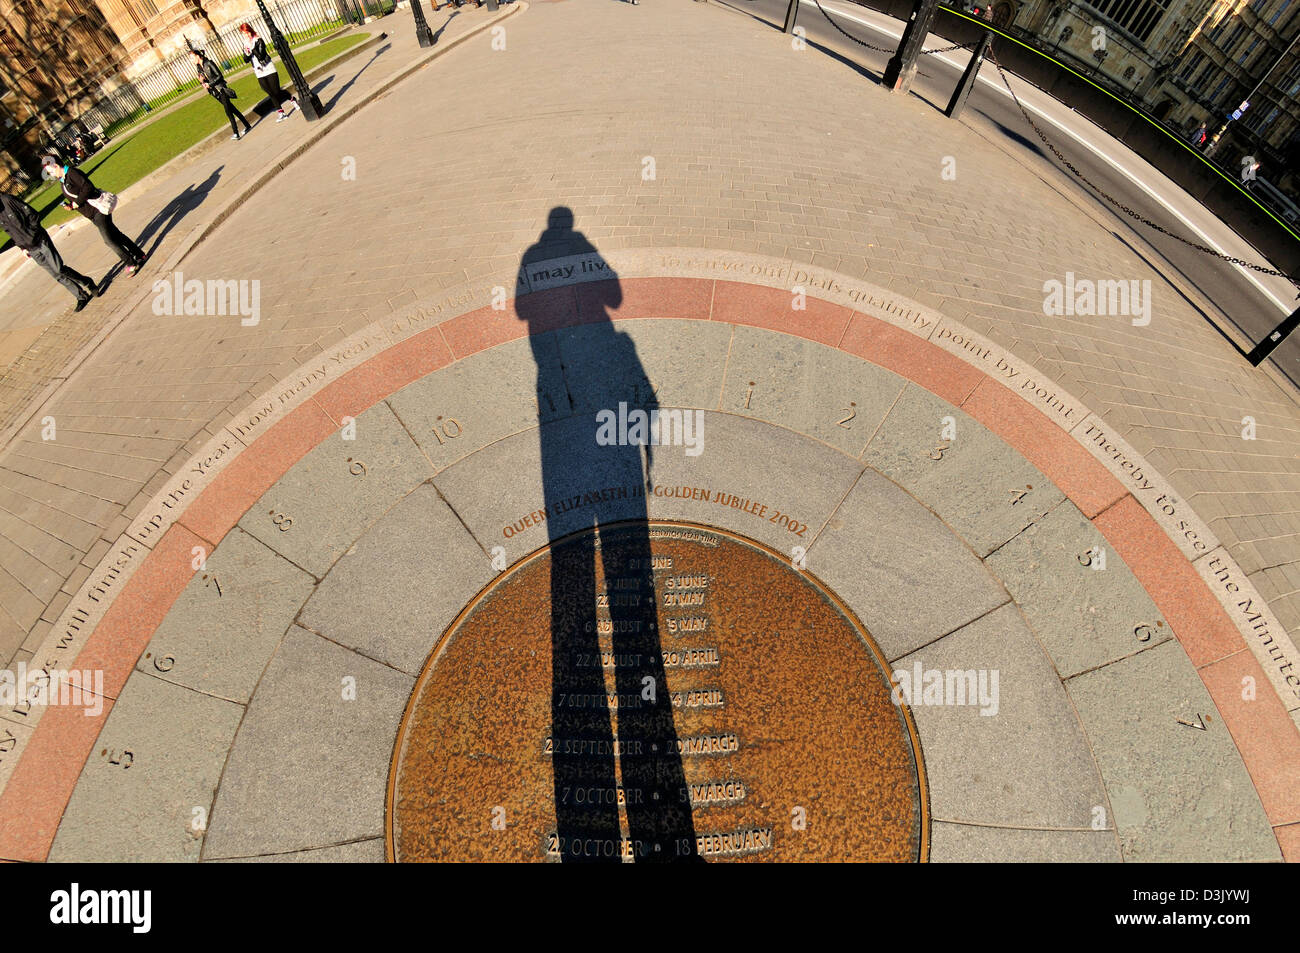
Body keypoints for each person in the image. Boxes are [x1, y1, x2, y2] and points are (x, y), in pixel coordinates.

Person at [42, 154, 146, 277]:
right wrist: (70, 205)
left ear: (56, 166)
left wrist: (77, 202)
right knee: (116, 235)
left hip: (98, 210)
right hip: (91, 214)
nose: (51, 175)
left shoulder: (72, 173)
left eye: (51, 171)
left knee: (109, 240)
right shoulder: (63, 181)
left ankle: (131, 263)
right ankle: (139, 254)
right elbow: (76, 194)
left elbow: (88, 187)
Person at [0, 191, 100, 311]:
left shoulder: (8, 200)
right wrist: (22, 247)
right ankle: (80, 296)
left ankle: (87, 282)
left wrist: (34, 233)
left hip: (40, 240)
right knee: (56, 274)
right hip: (30, 249)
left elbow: (32, 214)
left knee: (59, 268)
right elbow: (10, 232)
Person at [239, 24, 297, 123]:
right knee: (270, 92)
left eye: (245, 33)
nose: (245, 36)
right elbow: (245, 60)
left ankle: (292, 98)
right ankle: (281, 113)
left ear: (249, 31)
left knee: (276, 91)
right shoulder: (245, 44)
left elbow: (261, 56)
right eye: (243, 34)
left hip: (268, 68)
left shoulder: (258, 40)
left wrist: (252, 48)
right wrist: (247, 52)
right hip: (258, 71)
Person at [190, 48, 252, 141]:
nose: (191, 60)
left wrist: (210, 84)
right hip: (215, 92)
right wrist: (202, 82)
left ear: (198, 56)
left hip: (221, 89)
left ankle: (236, 133)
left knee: (228, 111)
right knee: (232, 109)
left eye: (192, 58)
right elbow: (204, 81)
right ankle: (247, 125)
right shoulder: (199, 68)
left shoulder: (209, 63)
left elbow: (219, 76)